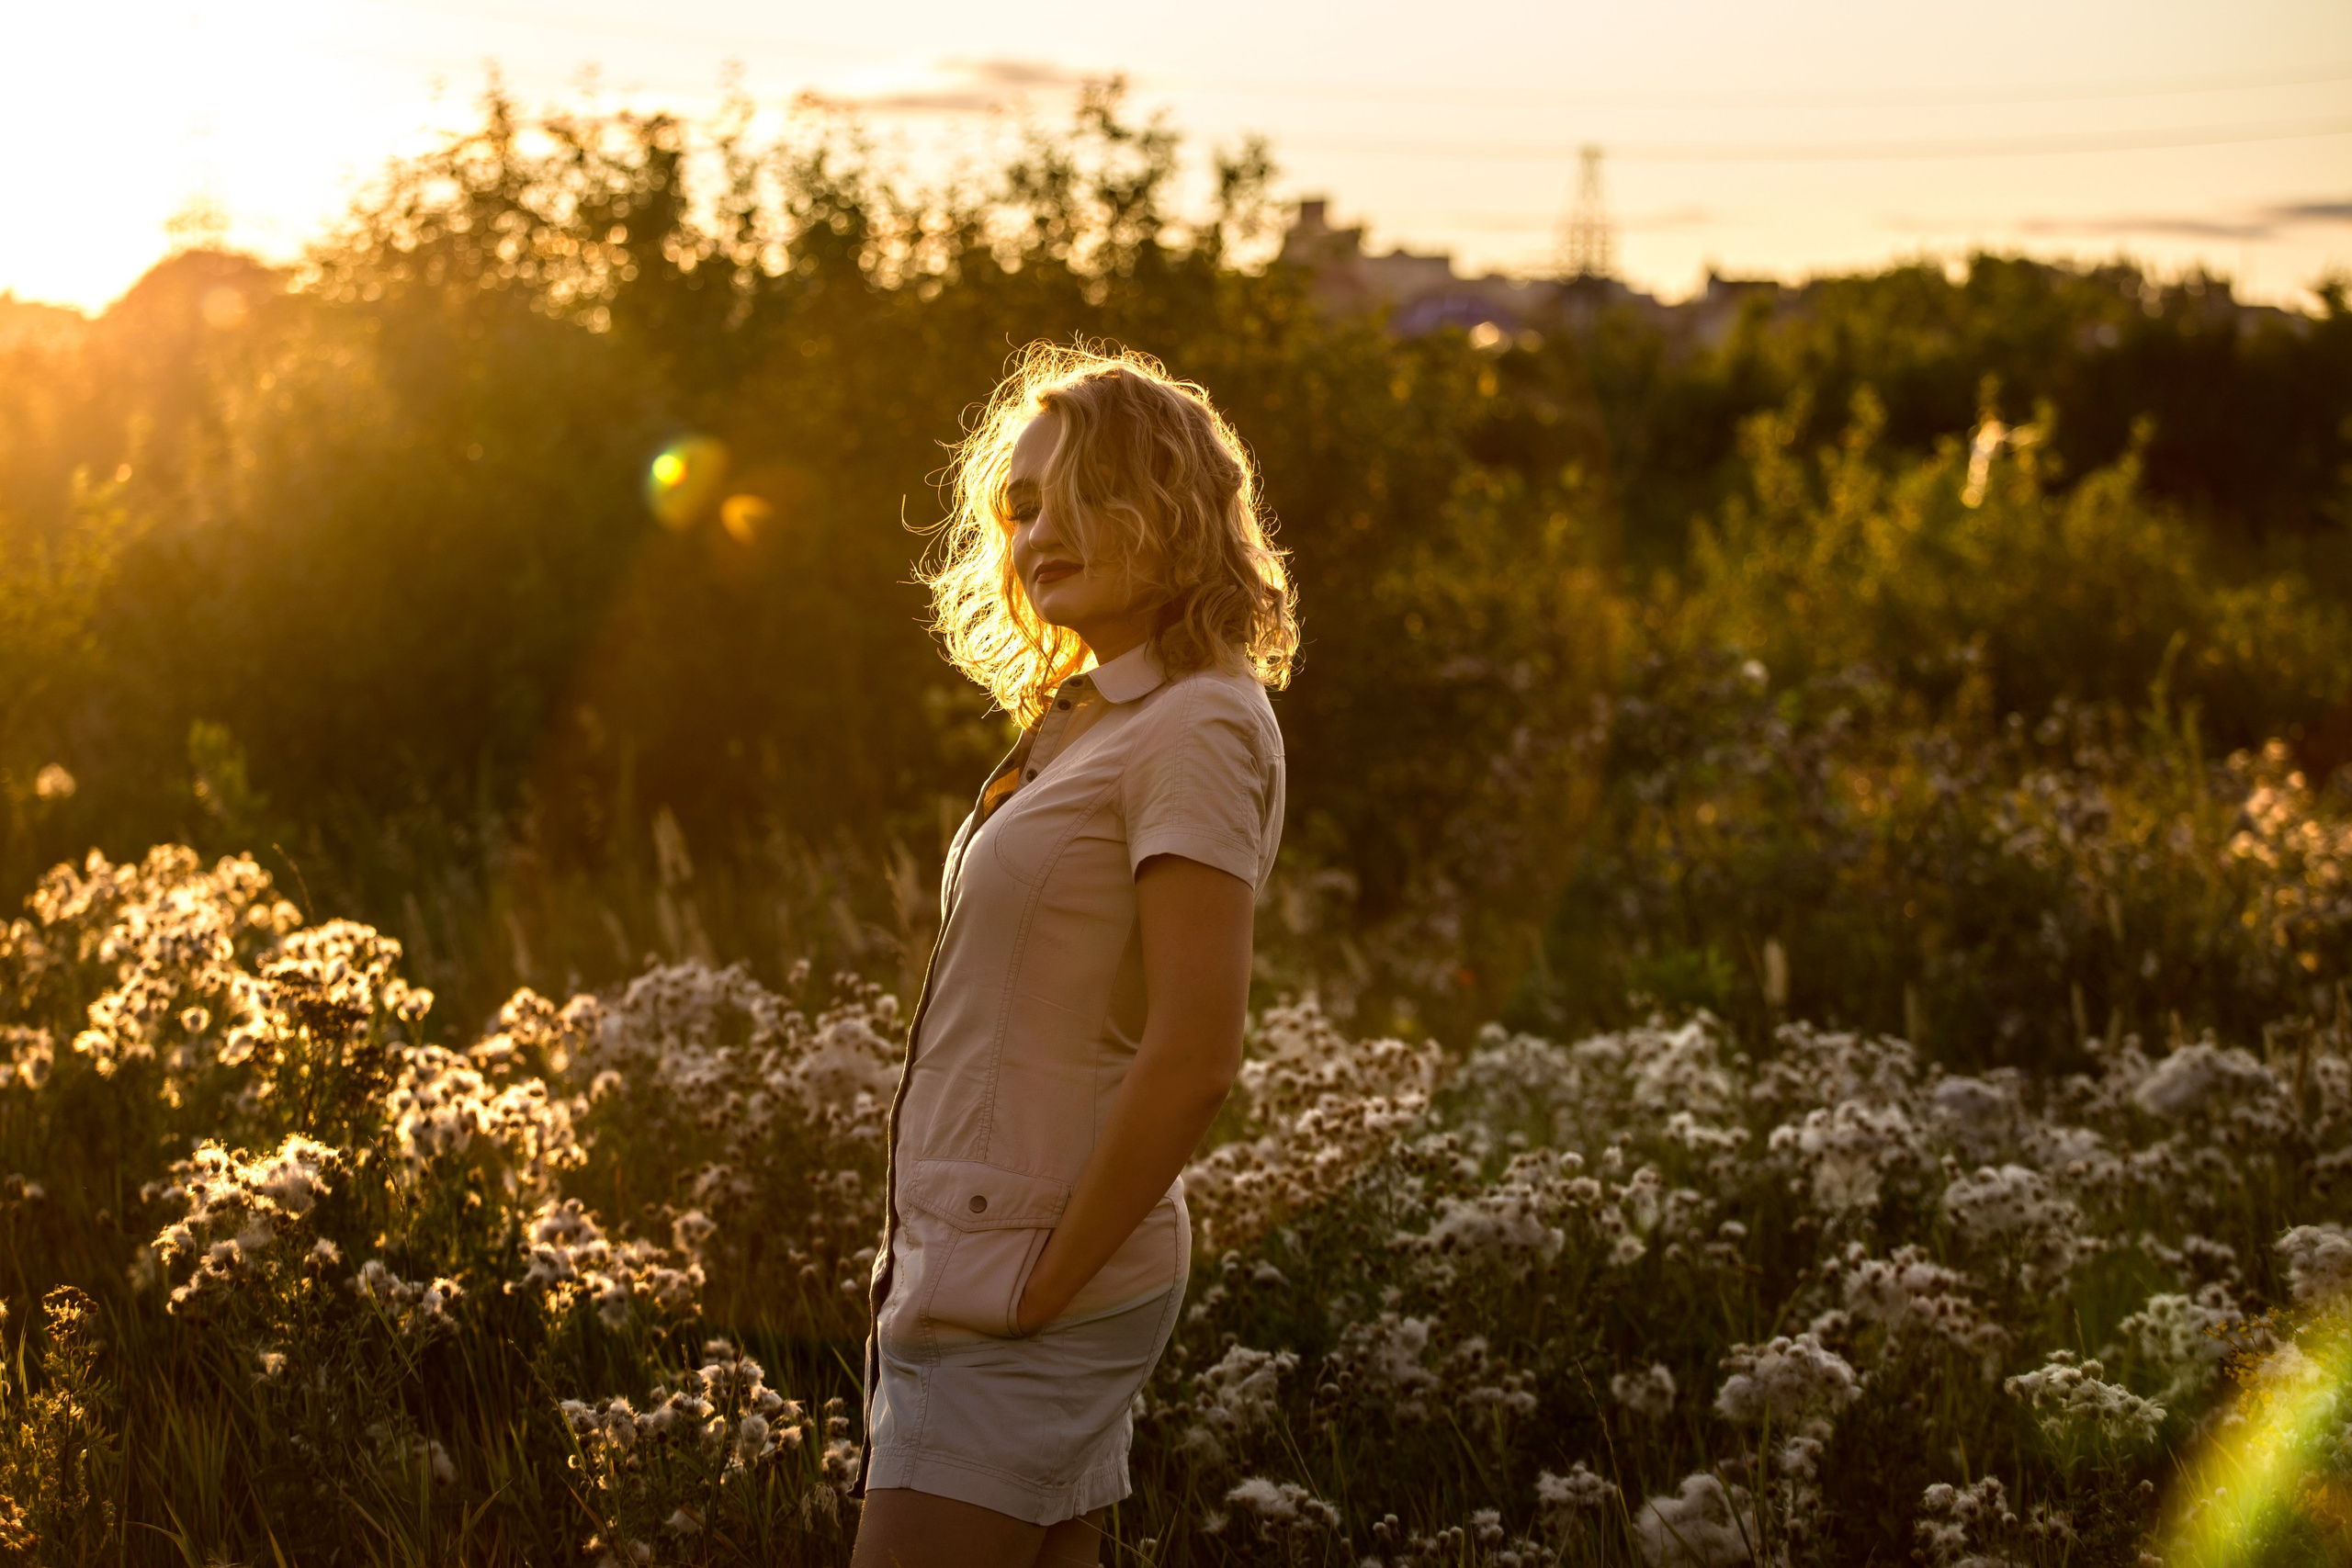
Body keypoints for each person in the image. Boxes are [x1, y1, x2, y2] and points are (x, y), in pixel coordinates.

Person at [849, 344, 1298, 1567]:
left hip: (1025, 1284)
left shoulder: (1196, 723)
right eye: (1022, 506)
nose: (1038, 535)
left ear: (1167, 505)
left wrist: (1040, 1289)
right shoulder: (1100, 720)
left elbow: (1197, 1053)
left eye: (1081, 496)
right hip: (987, 1262)